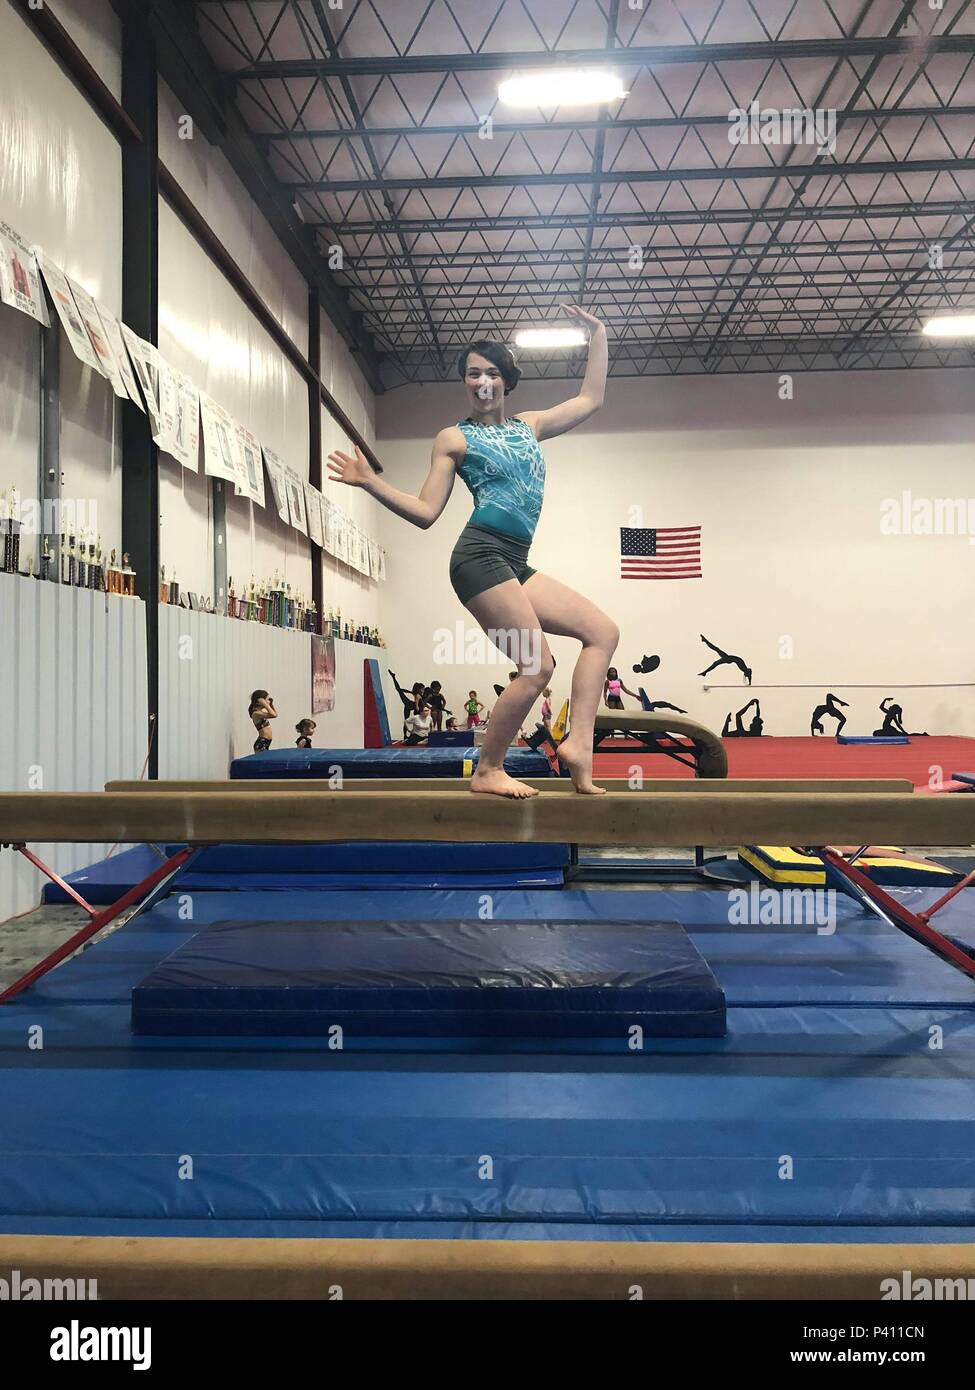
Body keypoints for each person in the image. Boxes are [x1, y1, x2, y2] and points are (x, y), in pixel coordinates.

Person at [328, 305, 615, 798]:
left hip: (514, 561)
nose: (482, 381)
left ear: (507, 381)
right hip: (479, 557)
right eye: (472, 374)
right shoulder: (454, 438)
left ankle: (579, 745)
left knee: (602, 633)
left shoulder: (531, 426)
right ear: (466, 383)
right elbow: (425, 511)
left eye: (492, 372)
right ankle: (488, 770)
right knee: (538, 667)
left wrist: (599, 335)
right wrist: (370, 483)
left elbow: (590, 398)